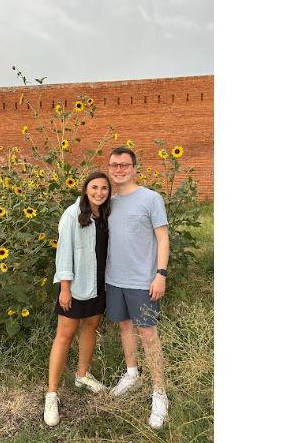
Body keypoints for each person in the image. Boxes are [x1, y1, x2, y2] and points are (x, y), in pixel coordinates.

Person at [105, 146, 170, 430]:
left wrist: (161, 274)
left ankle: (160, 392)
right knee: (124, 327)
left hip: (143, 280)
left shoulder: (150, 198)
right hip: (114, 278)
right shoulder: (109, 200)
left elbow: (163, 238)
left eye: (124, 165)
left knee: (148, 334)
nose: (119, 169)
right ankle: (132, 373)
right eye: (114, 165)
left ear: (134, 168)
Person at [44, 171, 111, 427]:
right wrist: (64, 288)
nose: (99, 192)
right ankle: (51, 394)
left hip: (98, 284)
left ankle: (82, 375)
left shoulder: (105, 215)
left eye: (104, 188)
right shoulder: (72, 215)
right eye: (94, 187)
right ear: (85, 189)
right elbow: (63, 254)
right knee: (65, 335)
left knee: (91, 326)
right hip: (74, 285)